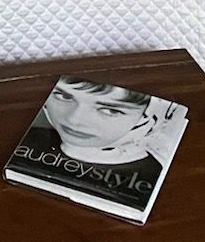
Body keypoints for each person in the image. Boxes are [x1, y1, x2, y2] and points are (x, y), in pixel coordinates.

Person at [10, 78, 177, 213]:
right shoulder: (28, 138)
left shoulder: (153, 174)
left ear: (147, 120)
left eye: (110, 110)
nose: (74, 119)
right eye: (64, 96)